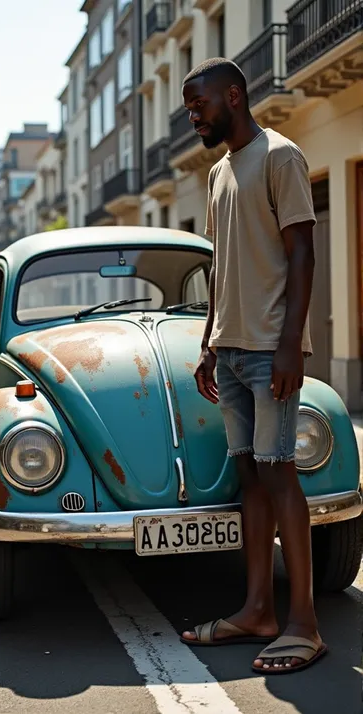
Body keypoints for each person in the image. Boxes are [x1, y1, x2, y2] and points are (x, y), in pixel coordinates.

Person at [180, 58, 327, 674]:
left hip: (272, 349)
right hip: (234, 352)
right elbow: (221, 266)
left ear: (234, 97)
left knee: (280, 475)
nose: (193, 116)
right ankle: (258, 610)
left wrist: (292, 342)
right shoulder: (217, 173)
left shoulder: (280, 156)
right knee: (250, 481)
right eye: (189, 107)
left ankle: (304, 625)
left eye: (199, 105)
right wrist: (212, 340)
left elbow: (301, 254)